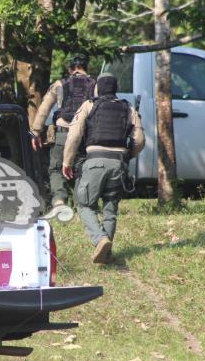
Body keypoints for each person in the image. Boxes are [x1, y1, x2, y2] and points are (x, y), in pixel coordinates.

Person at [62, 73, 145, 263]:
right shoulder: (128, 108)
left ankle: (100, 240)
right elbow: (139, 140)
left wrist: (67, 162)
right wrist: (127, 156)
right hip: (119, 163)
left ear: (97, 88)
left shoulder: (89, 105)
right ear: (115, 88)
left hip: (95, 161)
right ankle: (106, 253)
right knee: (110, 208)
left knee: (84, 204)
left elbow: (74, 135)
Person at [31, 54, 96, 207]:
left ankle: (59, 201)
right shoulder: (96, 84)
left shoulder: (59, 84)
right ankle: (83, 203)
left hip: (62, 133)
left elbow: (43, 110)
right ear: (87, 68)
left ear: (69, 69)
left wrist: (35, 132)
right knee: (83, 168)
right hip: (85, 135)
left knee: (56, 169)